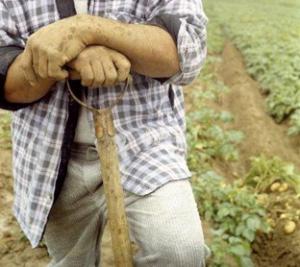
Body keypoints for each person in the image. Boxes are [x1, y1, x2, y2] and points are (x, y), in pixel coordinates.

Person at [0, 0, 209, 266]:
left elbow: (186, 51)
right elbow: (8, 85)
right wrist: (72, 58)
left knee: (179, 251)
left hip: (143, 142)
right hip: (50, 157)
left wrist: (88, 29)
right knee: (72, 260)